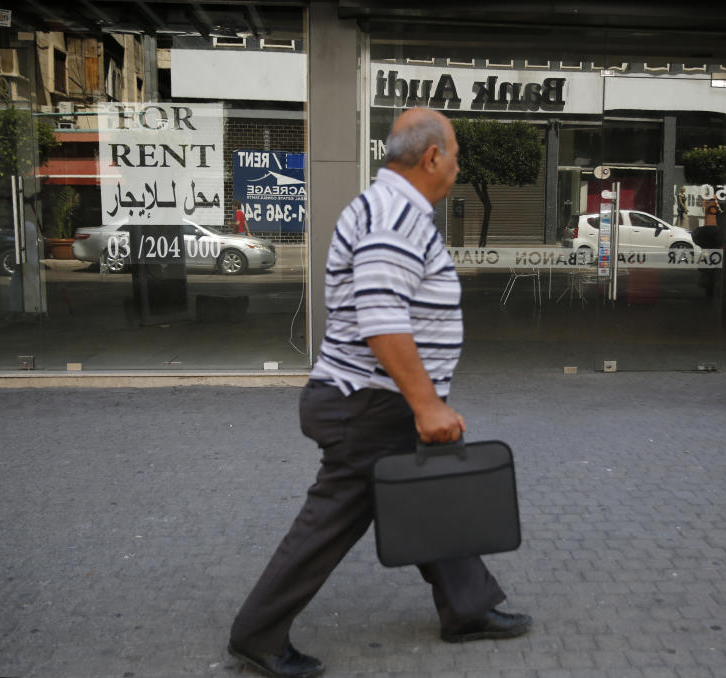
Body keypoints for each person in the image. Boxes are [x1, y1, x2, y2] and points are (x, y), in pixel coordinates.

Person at [227, 108, 532, 678]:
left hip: (371, 399)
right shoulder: (394, 214)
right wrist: (427, 404)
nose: (458, 166)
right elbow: (381, 315)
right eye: (457, 155)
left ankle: (467, 608)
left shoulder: (392, 207)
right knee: (333, 519)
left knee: (430, 496)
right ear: (432, 157)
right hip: (366, 402)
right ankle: (257, 633)